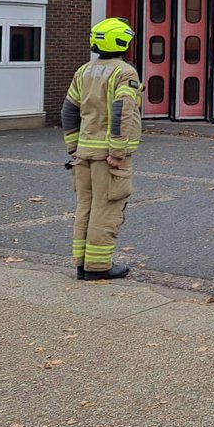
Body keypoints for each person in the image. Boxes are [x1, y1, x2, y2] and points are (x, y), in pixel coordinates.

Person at [61, 18, 142, 281]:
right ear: (122, 42)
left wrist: (73, 145)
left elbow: (69, 110)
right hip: (109, 155)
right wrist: (117, 151)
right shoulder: (125, 72)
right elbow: (122, 111)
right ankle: (98, 267)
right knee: (106, 208)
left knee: (85, 206)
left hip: (84, 153)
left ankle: (82, 264)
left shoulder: (84, 70)